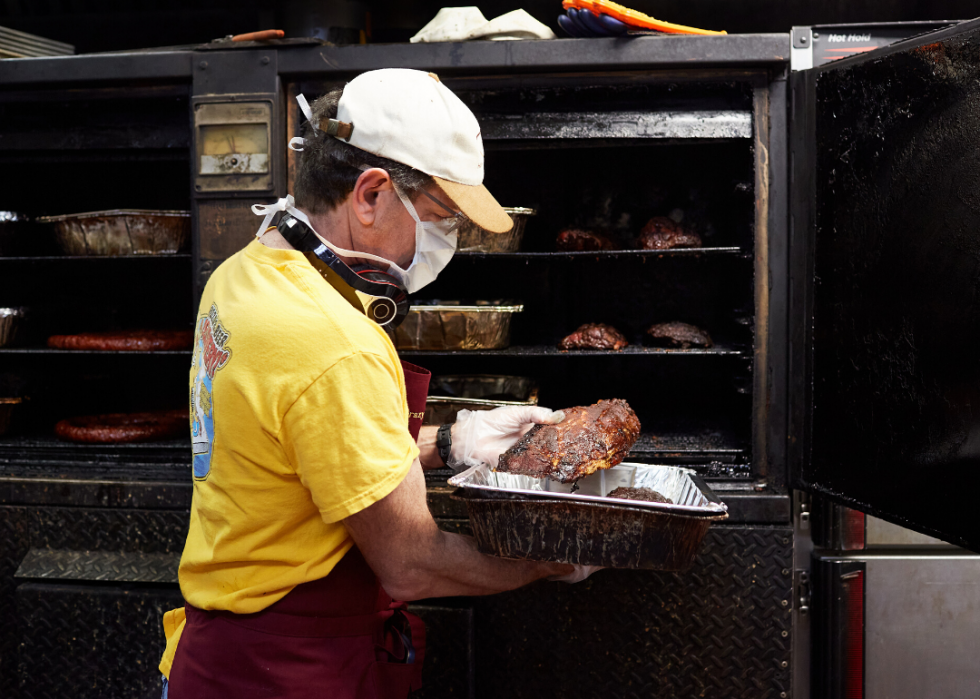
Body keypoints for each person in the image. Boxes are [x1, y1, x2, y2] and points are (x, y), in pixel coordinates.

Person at [159, 69, 597, 699]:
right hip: (288, 670)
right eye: (443, 217)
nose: (447, 241)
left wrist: (455, 441)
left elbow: (307, 454)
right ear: (369, 194)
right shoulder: (337, 341)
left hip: (216, 657)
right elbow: (411, 564)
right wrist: (548, 560)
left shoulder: (243, 274)